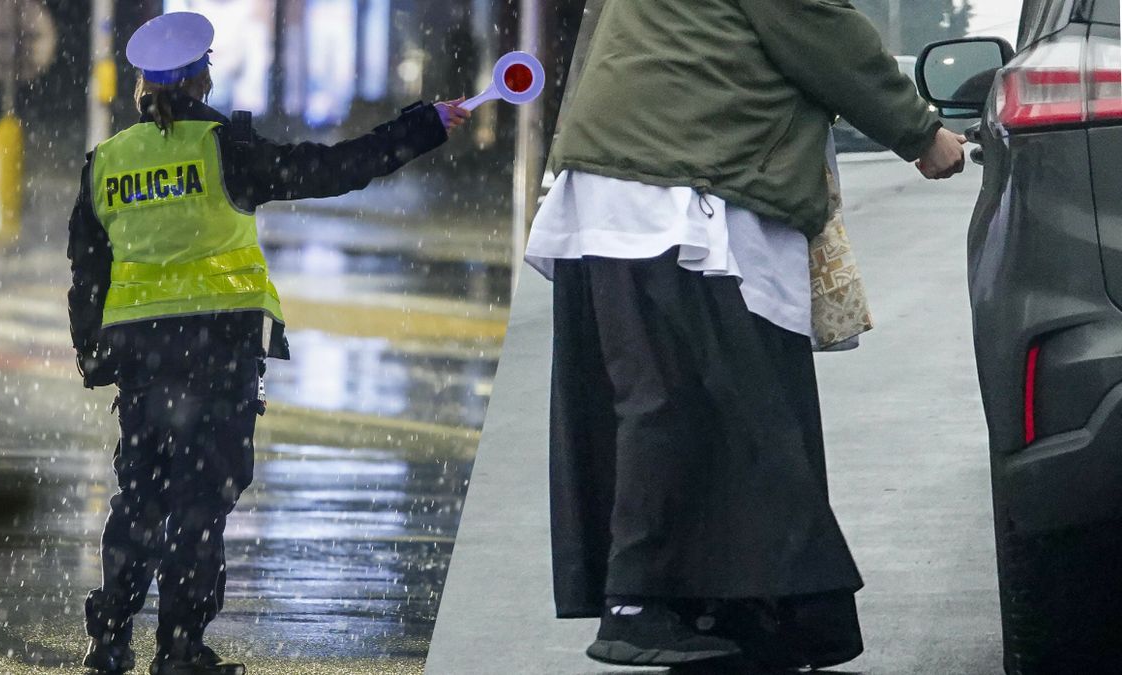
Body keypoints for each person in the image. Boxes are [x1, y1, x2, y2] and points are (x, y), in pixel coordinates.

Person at [525, 0, 965, 669]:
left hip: (620, 182)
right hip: (676, 184)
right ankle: (642, 601)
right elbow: (825, 32)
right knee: (682, 402)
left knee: (711, 409)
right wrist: (923, 135)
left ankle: (727, 604)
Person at [68, 12, 469, 675]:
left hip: (142, 356)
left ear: (144, 84)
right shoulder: (229, 149)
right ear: (202, 77)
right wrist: (421, 127)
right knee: (199, 502)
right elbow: (338, 167)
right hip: (219, 349)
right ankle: (178, 649)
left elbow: (88, 269)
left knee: (140, 497)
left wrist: (92, 350)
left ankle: (109, 639)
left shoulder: (107, 163)